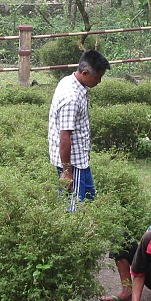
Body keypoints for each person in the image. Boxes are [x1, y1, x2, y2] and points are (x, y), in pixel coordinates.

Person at [48, 49, 110, 210]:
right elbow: (64, 136)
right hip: (73, 164)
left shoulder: (69, 81)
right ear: (85, 73)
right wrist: (67, 171)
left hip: (81, 161)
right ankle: (71, 234)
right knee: (72, 208)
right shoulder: (72, 98)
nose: (99, 82)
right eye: (97, 78)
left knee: (90, 200)